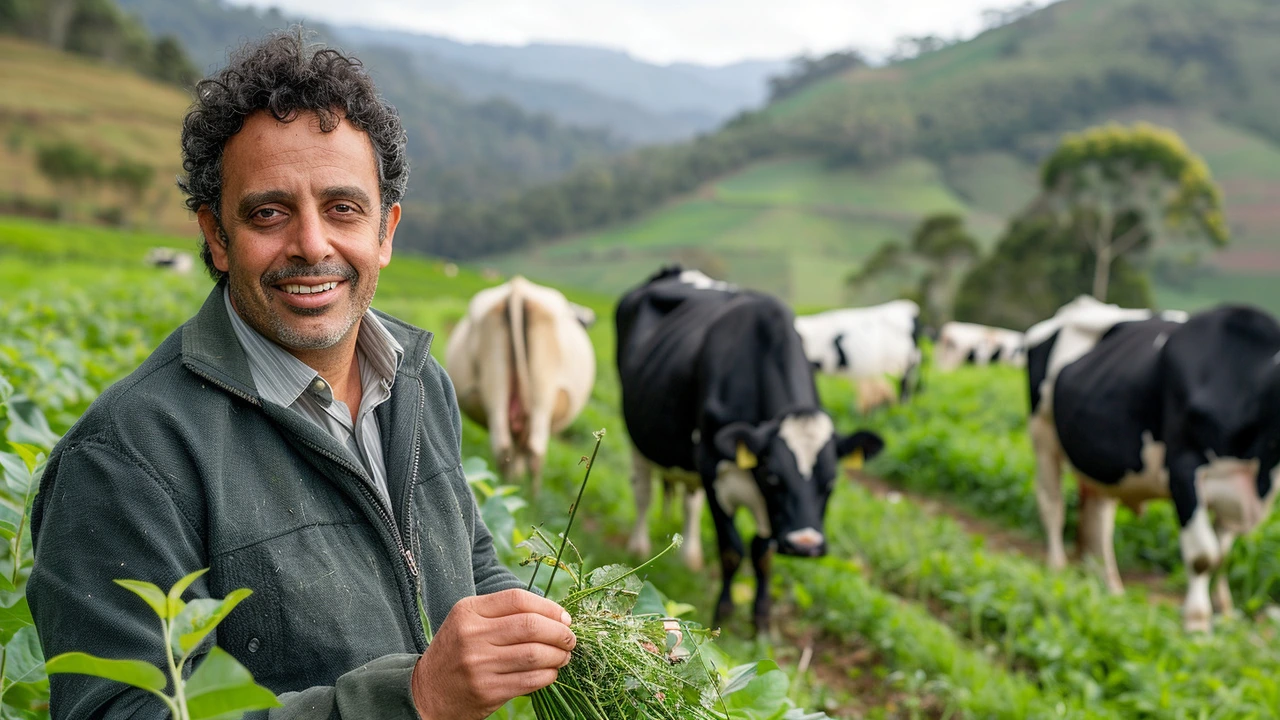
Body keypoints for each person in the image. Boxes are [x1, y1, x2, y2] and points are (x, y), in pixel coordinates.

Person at [27, 31, 575, 720]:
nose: (312, 244)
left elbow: (469, 566)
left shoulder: (419, 383)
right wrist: (413, 698)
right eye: (269, 213)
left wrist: (580, 632)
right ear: (216, 237)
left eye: (343, 208)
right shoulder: (127, 458)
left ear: (386, 231)